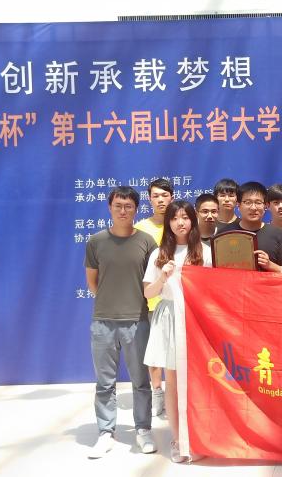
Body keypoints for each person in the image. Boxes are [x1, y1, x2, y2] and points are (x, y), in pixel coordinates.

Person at [84, 186, 159, 459]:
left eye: (128, 206)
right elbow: (92, 283)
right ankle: (106, 432)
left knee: (141, 381)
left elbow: (152, 281)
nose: (123, 210)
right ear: (110, 207)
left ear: (136, 209)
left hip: (137, 320)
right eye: (118, 205)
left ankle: (143, 429)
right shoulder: (96, 241)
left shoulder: (147, 242)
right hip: (103, 321)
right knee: (105, 383)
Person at [142, 201, 211, 463]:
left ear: (193, 221)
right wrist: (163, 276)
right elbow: (148, 292)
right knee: (172, 382)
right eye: (174, 218)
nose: (180, 222)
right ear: (168, 222)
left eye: (185, 217)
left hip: (195, 317)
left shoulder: (204, 251)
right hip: (169, 316)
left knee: (197, 380)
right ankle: (177, 439)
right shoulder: (159, 253)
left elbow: (213, 289)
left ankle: (198, 436)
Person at [134, 178, 173, 418]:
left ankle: (175, 394)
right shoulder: (141, 228)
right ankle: (157, 392)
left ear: (172, 197)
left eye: (164, 195)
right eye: (156, 196)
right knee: (155, 352)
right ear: (149, 199)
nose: (160, 200)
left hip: (177, 300)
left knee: (176, 353)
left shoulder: (180, 223)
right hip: (151, 300)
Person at [225, 181, 282, 269]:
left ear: (265, 205)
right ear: (238, 205)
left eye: (258, 202)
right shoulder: (226, 234)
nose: (253, 208)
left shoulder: (277, 234)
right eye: (247, 202)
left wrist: (270, 265)